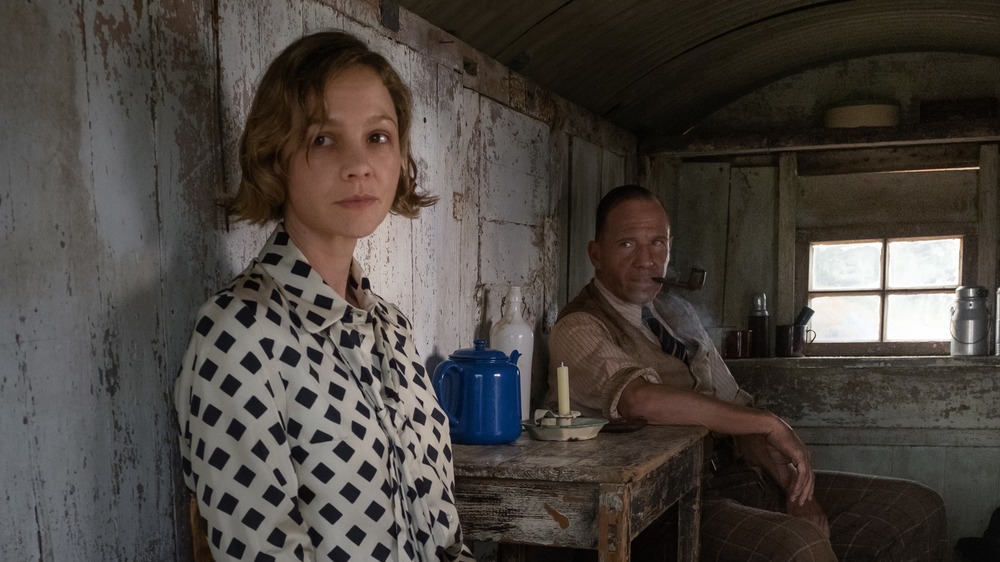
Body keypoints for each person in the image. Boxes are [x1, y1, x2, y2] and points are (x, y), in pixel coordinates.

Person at [174, 31, 474, 562]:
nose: (359, 163)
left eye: (378, 137)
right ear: (275, 156)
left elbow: (442, 532)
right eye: (323, 139)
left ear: (401, 156)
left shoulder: (393, 330)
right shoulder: (240, 333)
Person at [547, 184, 947, 562]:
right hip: (664, 507)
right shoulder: (579, 328)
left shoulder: (677, 313)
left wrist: (795, 489)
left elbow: (735, 409)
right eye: (627, 243)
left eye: (659, 243)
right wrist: (770, 424)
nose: (647, 260)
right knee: (798, 549)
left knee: (916, 508)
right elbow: (638, 400)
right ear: (596, 254)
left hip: (738, 476)